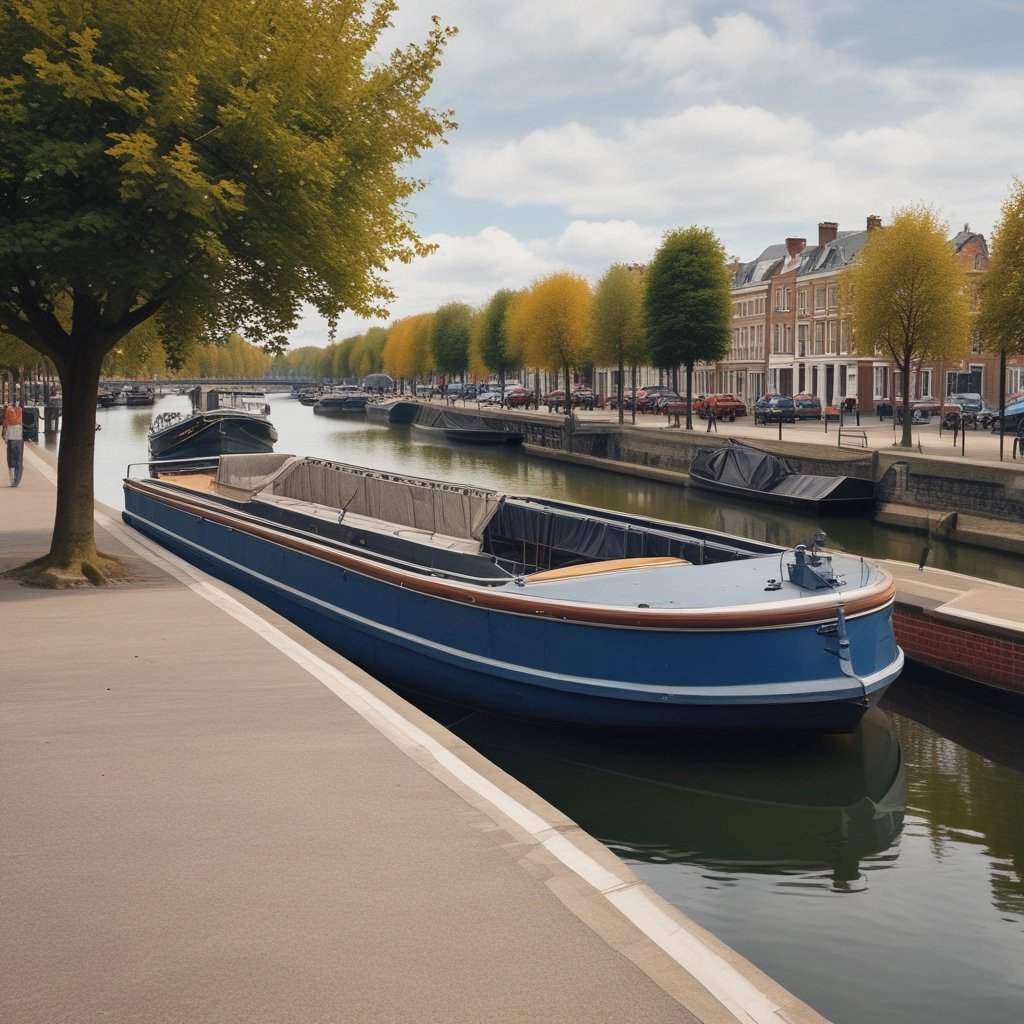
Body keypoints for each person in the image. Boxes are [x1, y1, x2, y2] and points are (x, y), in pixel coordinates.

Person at [3, 402, 24, 487]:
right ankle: (16, 479)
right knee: (18, 459)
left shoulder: (9, 410)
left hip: (11, 437)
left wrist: (5, 437)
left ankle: (13, 480)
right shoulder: (19, 410)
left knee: (11, 458)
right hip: (18, 436)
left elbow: (6, 424)